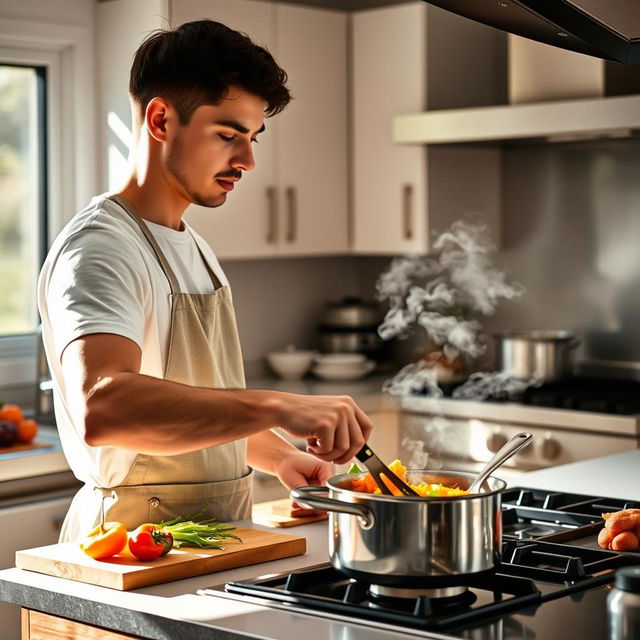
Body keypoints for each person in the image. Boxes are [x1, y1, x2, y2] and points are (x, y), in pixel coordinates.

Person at [37, 19, 373, 542]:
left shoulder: (193, 246)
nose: (249, 160)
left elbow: (195, 410)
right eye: (227, 136)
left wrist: (281, 455)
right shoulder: (100, 248)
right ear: (161, 119)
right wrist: (279, 404)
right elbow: (104, 408)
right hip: (129, 553)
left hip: (217, 539)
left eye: (253, 137)